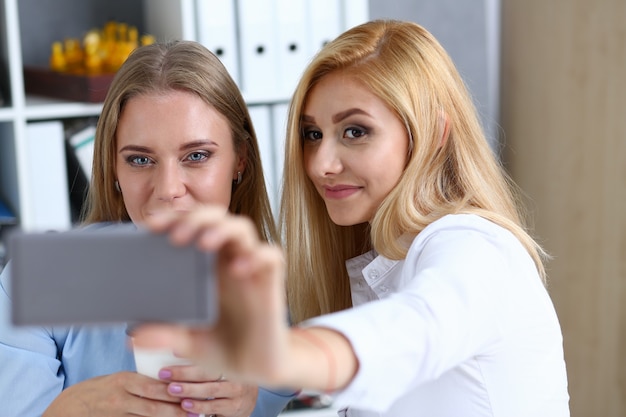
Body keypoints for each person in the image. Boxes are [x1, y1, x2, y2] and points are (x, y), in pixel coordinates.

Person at [133, 20, 571, 417]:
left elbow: (415, 329)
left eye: (355, 131)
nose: (321, 163)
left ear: (433, 135)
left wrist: (277, 354)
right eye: (312, 134)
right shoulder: (374, 264)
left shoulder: (473, 247)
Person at [0, 40, 294, 417]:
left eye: (197, 156)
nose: (168, 190)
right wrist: (73, 410)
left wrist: (250, 400)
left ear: (240, 161)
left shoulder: (281, 294)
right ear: (113, 168)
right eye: (140, 159)